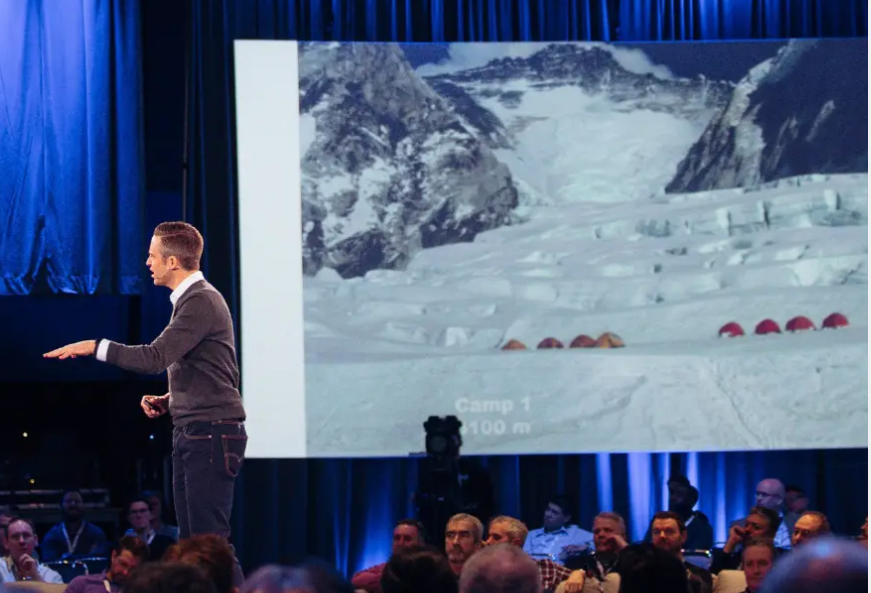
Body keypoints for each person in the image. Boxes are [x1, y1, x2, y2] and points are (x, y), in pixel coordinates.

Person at [43, 221, 247, 582]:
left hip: (210, 434)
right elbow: (216, 370)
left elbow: (154, 357)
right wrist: (172, 399)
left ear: (172, 261)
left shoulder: (200, 300)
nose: (146, 262)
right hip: (195, 430)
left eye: (152, 256)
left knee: (210, 544)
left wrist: (94, 346)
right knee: (194, 544)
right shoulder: (191, 301)